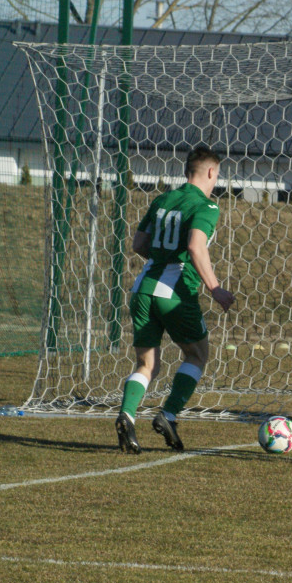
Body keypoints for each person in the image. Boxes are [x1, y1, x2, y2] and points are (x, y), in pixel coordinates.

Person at [115, 145, 235, 454]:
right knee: (197, 354)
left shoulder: (162, 200)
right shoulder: (206, 206)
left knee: (146, 364)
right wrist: (215, 288)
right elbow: (196, 246)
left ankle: (127, 415)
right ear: (211, 172)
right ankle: (168, 415)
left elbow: (139, 243)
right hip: (174, 292)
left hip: (143, 288)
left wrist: (162, 259)